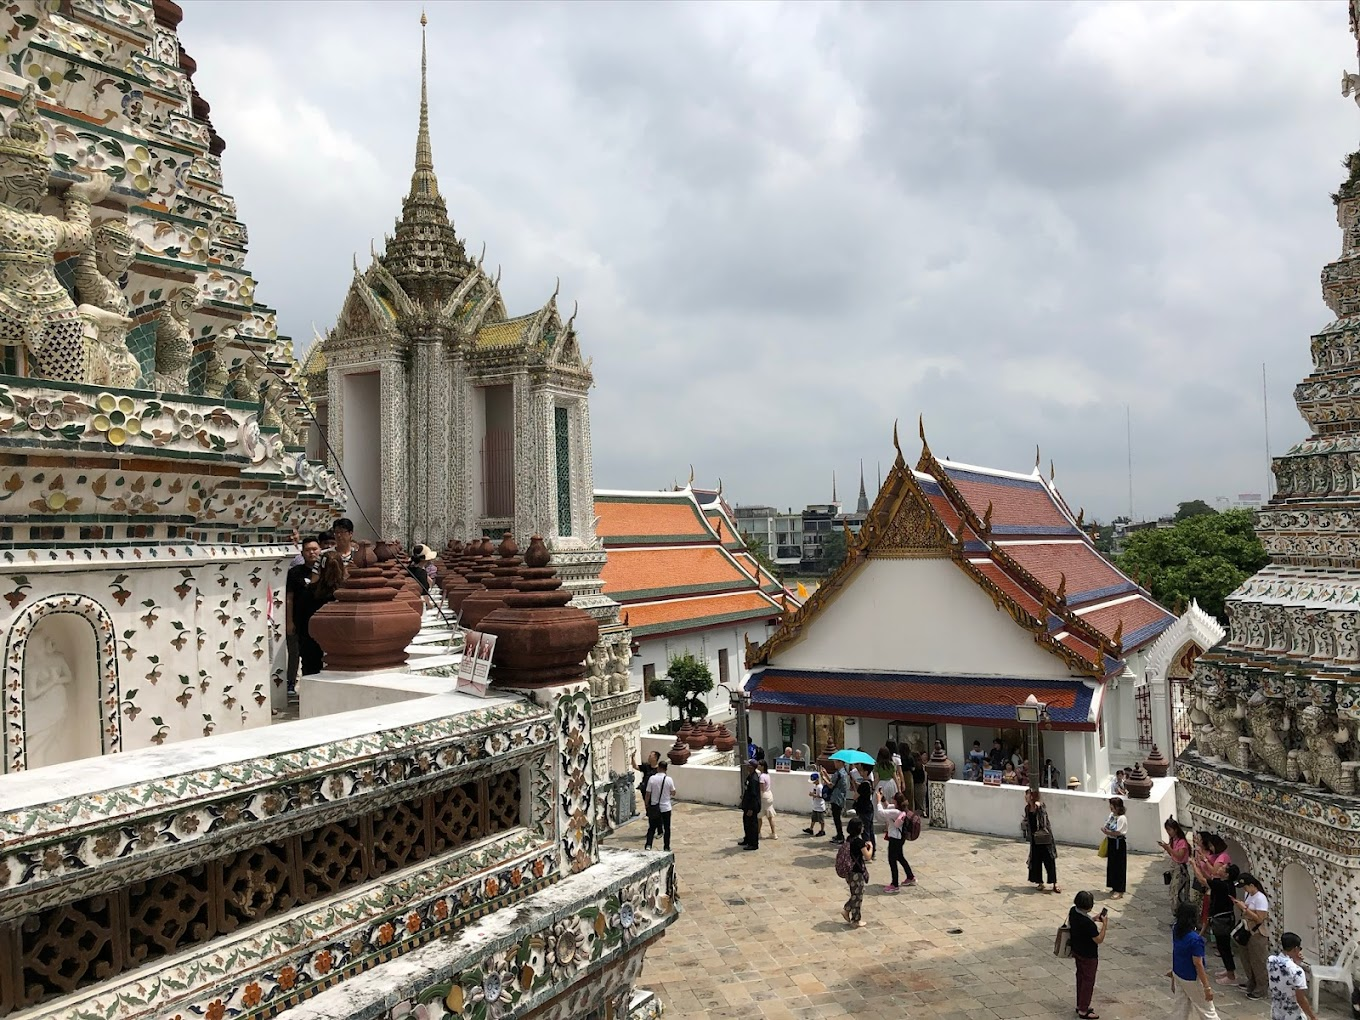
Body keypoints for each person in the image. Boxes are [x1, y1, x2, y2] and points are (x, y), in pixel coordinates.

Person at [1168, 901, 1218, 1020]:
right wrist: (1207, 987)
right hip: (1191, 977)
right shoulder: (1195, 940)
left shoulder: (1176, 929)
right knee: (1207, 1011)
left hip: (1179, 972)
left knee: (1180, 1008)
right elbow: (1198, 964)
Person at [298, 549, 344, 675]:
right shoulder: (346, 592)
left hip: (312, 642)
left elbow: (301, 619)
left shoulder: (310, 592)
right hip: (340, 643)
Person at [284, 537, 320, 694]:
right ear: (302, 552)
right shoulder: (295, 573)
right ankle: (296, 685)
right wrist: (289, 622)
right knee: (299, 654)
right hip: (300, 620)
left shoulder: (325, 571)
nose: (312, 552)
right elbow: (289, 598)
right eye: (308, 550)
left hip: (319, 621)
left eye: (314, 549)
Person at [1069, 890, 1107, 1019]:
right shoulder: (1088, 924)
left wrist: (1093, 919)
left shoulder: (1073, 911)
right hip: (1089, 955)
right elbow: (1099, 939)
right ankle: (1083, 1010)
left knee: (1080, 977)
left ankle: (1081, 1004)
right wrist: (1105, 925)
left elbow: (1082, 922)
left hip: (1077, 950)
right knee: (1088, 981)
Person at [1232, 873, 1270, 999]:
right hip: (1246, 931)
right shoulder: (1249, 895)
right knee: (1246, 959)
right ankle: (1251, 982)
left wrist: (1245, 909)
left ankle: (1261, 988)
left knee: (1258, 962)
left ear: (1252, 885)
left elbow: (1260, 919)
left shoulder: (1260, 899)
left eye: (1245, 887)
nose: (1244, 889)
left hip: (1257, 933)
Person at [1268, 931, 1319, 1020]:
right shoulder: (1297, 971)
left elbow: (1284, 972)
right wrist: (1313, 1017)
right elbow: (1301, 1000)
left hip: (1276, 1011)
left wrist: (1295, 962)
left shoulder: (1271, 960)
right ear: (1295, 949)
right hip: (1292, 1015)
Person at [875, 790, 916, 892]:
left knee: (892, 860)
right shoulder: (901, 810)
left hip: (895, 839)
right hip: (900, 837)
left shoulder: (895, 812)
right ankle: (910, 877)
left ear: (896, 801)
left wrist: (878, 801)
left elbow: (881, 813)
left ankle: (894, 884)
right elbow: (888, 806)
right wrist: (883, 798)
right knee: (900, 857)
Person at [1023, 787, 1059, 893]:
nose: (1026, 797)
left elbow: (1043, 818)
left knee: (1049, 860)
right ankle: (1039, 882)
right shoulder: (1027, 808)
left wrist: (1038, 807)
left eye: (1028, 795)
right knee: (1036, 861)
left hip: (1045, 837)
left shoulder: (1040, 806)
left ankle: (1054, 883)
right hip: (1034, 838)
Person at [841, 816, 873, 927]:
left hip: (849, 871)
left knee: (856, 893)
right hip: (856, 872)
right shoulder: (859, 842)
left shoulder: (849, 839)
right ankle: (855, 919)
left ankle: (847, 910)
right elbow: (868, 856)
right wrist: (871, 847)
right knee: (858, 895)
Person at [1159, 817, 1193, 915]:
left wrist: (1168, 848)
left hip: (1180, 869)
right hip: (1174, 867)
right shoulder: (1174, 840)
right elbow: (1173, 855)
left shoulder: (1182, 842)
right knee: (1173, 892)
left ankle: (1180, 914)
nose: (1168, 832)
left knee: (1178, 893)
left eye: (1169, 830)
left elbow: (1179, 855)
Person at [643, 760, 675, 852]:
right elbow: (673, 792)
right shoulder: (669, 779)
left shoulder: (652, 779)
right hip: (666, 807)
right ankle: (666, 847)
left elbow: (648, 793)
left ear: (658, 768)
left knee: (652, 827)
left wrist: (646, 804)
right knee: (667, 828)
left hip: (654, 807)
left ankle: (648, 845)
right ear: (666, 769)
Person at [1101, 797, 1128, 899]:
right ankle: (1113, 885)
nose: (1111, 808)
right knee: (1112, 864)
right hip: (1111, 841)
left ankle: (1119, 889)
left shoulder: (1122, 818)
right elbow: (1107, 824)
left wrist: (1108, 832)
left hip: (1118, 842)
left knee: (1119, 866)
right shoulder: (1112, 815)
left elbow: (1118, 831)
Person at [821, 762, 849, 843]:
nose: (834, 764)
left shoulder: (839, 773)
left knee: (836, 818)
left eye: (836, 762)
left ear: (840, 762)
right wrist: (826, 774)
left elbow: (831, 785)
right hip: (841, 797)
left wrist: (823, 778)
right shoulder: (843, 772)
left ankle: (840, 835)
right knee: (837, 817)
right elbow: (833, 781)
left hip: (836, 797)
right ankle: (839, 834)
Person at [739, 758, 761, 850]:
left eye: (748, 765)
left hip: (752, 806)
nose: (747, 766)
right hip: (747, 805)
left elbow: (754, 795)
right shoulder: (750, 776)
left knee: (752, 825)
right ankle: (747, 839)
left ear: (752, 767)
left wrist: (751, 809)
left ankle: (753, 843)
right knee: (746, 823)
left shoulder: (754, 779)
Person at [853, 780, 876, 854]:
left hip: (863, 809)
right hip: (869, 808)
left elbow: (855, 796)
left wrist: (856, 787)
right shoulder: (869, 783)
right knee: (870, 830)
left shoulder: (863, 785)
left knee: (865, 832)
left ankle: (867, 851)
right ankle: (873, 850)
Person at [758, 760, 778, 839]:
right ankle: (773, 833)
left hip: (764, 796)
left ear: (762, 766)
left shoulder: (762, 777)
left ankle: (758, 833)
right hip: (769, 795)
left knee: (759, 816)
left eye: (759, 765)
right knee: (770, 817)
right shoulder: (767, 775)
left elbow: (762, 789)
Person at [803, 772, 826, 836]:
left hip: (820, 806)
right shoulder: (815, 786)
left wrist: (813, 795)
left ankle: (822, 830)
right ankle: (811, 829)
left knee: (821, 820)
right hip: (815, 805)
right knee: (813, 818)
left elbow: (820, 796)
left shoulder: (820, 787)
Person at [911, 750, 927, 815]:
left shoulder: (913, 768)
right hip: (922, 785)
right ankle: (924, 813)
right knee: (922, 802)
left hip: (916, 786)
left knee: (917, 804)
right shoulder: (922, 767)